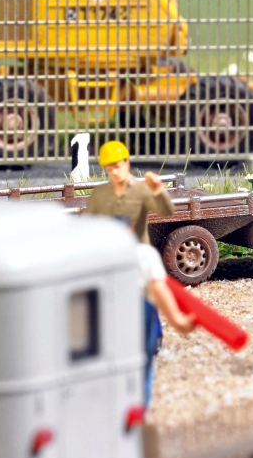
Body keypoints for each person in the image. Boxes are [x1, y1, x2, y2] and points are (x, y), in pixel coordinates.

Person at [135, 238, 196, 405]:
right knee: (141, 371)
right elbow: (157, 287)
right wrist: (177, 320)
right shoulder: (143, 254)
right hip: (138, 324)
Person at [84, 140, 175, 243]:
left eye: (117, 167)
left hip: (136, 250)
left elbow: (166, 211)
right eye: (109, 169)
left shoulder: (141, 189)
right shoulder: (99, 192)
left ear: (127, 163)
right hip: (109, 252)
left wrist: (158, 191)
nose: (114, 172)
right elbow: (87, 223)